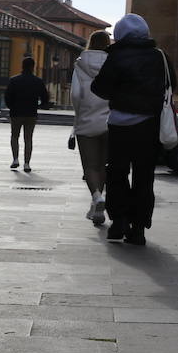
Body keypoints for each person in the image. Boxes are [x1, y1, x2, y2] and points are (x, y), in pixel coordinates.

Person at [91, 13, 175, 246]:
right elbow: (172, 84)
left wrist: (119, 94)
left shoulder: (116, 56)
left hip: (119, 125)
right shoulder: (160, 56)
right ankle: (138, 228)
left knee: (116, 173)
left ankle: (119, 222)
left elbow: (100, 88)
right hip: (149, 125)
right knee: (144, 177)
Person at [71, 30, 111, 225]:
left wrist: (79, 115)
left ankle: (96, 197)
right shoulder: (114, 64)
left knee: (90, 165)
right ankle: (98, 207)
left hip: (86, 119)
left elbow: (76, 94)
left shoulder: (80, 64)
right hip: (110, 120)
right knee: (103, 164)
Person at [5, 56, 49, 171]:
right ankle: (27, 163)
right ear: (33, 67)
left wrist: (12, 107)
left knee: (15, 136)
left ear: (22, 66)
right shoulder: (38, 81)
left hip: (16, 113)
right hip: (31, 113)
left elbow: (7, 97)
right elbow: (45, 98)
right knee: (28, 138)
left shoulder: (13, 80)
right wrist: (39, 105)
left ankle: (15, 159)